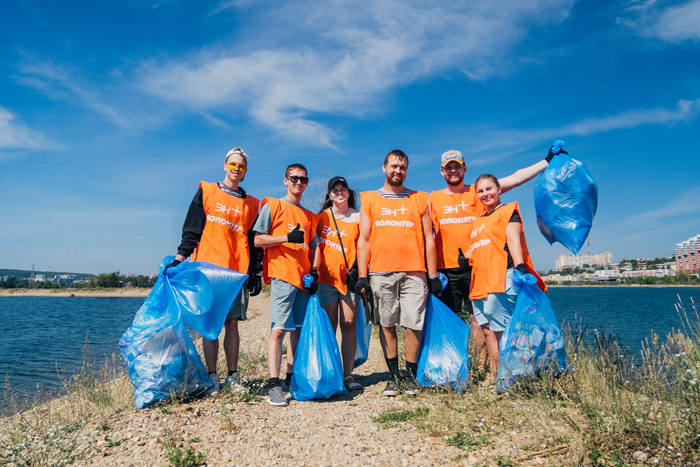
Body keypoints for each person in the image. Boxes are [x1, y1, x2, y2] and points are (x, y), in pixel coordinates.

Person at [430, 148, 559, 370]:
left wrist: (547, 161)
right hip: (446, 270)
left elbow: (517, 178)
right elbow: (420, 232)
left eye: (457, 166)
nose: (453, 170)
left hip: (479, 267)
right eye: (448, 167)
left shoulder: (480, 190)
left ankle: (482, 367)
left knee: (479, 321)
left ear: (464, 168)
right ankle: (453, 366)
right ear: (442, 171)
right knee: (452, 320)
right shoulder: (432, 198)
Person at [164, 147, 263, 395]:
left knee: (232, 325)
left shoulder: (252, 205)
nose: (236, 169)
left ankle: (233, 376)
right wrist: (180, 257)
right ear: (225, 166)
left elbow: (254, 242)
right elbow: (192, 229)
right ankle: (212, 377)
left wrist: (256, 273)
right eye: (233, 165)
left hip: (236, 273)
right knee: (210, 327)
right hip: (207, 271)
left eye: (241, 166)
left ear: (245, 171)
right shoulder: (207, 191)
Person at [355, 149, 441, 397]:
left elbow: (429, 239)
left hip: (415, 271)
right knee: (387, 323)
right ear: (384, 168)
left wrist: (432, 275)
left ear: (407, 170)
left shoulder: (420, 198)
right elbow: (364, 240)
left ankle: (411, 376)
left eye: (402, 167)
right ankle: (394, 377)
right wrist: (362, 275)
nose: (398, 171)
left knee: (414, 324)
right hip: (381, 272)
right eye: (393, 166)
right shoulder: (370, 199)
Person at [467, 174, 547, 380]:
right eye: (481, 191)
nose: (485, 194)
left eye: (489, 189)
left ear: (499, 189)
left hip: (501, 278)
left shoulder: (508, 212)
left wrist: (520, 266)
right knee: (488, 333)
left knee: (502, 332)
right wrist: (464, 257)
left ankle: (514, 375)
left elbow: (513, 240)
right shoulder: (478, 221)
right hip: (479, 283)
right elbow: (481, 247)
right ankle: (496, 376)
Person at [253, 163, 320, 407]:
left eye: (303, 179)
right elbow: (258, 239)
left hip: (303, 280)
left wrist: (314, 271)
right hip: (282, 276)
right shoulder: (273, 205)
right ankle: (274, 385)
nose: (298, 183)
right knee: (279, 330)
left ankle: (291, 380)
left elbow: (315, 247)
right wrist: (286, 238)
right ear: (285, 180)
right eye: (294, 179)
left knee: (298, 332)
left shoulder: (309, 215)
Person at [313, 176, 362, 391]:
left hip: (349, 281)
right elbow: (312, 245)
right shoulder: (321, 218)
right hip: (325, 280)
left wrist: (362, 275)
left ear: (349, 193)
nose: (339, 192)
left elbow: (364, 248)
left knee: (349, 325)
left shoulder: (360, 218)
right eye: (335, 190)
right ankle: (328, 371)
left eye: (343, 189)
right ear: (329, 195)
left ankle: (347, 375)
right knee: (329, 326)